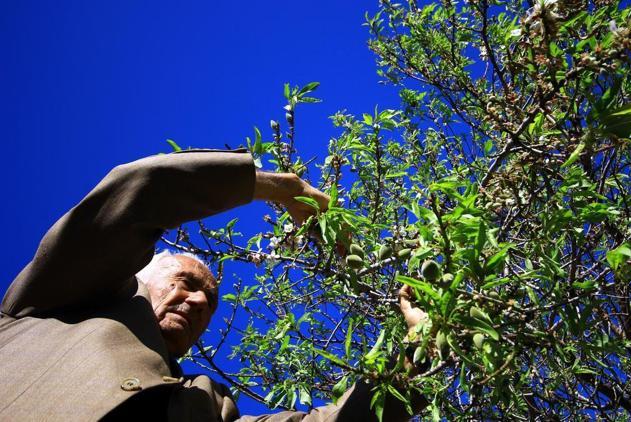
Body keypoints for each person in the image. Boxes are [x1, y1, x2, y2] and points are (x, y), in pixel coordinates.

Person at [0, 149, 426, 421]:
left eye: (211, 299)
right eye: (186, 282)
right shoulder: (65, 296)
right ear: (141, 278)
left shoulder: (206, 404)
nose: (202, 300)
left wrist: (421, 345)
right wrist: (283, 188)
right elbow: (138, 191)